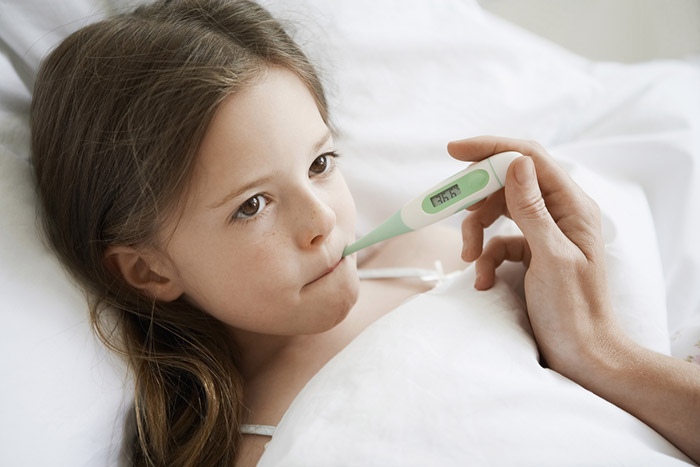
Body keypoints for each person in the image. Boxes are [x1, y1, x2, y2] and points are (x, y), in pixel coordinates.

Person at [29, 0, 699, 465]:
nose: (321, 220)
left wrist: (597, 347)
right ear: (149, 271)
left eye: (320, 164)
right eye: (253, 205)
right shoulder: (257, 447)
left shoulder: (435, 251)